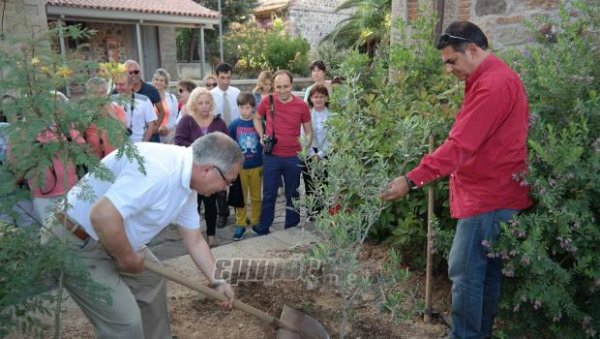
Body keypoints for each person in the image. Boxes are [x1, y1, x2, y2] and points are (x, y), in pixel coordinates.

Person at [380, 21, 532, 339]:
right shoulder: (493, 77)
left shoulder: (492, 85)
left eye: (452, 61)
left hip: (488, 198)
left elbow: (460, 147)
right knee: (487, 275)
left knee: (465, 274)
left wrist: (410, 180)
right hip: (499, 193)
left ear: (473, 50)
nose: (448, 69)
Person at [41, 133, 242, 339]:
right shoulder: (160, 171)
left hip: (112, 238)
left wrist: (218, 281)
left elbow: (196, 241)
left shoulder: (187, 186)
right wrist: (127, 257)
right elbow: (102, 216)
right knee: (125, 323)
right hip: (76, 240)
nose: (225, 189)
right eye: (228, 182)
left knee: (150, 280)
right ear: (207, 170)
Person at [252, 70, 313, 235]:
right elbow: (256, 118)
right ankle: (264, 227)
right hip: (271, 156)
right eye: (278, 87)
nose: (282, 90)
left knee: (292, 194)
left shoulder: (301, 105)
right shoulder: (267, 100)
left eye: (286, 86)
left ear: (291, 86)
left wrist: (305, 148)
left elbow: (308, 131)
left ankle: (291, 227)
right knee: (269, 193)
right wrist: (261, 135)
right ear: (274, 86)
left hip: (294, 157)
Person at [175, 88, 228, 247]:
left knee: (211, 204)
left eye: (207, 102)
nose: (204, 106)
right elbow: (179, 142)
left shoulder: (219, 122)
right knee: (193, 205)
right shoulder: (186, 121)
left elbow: (226, 144)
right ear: (194, 104)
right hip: (192, 171)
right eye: (200, 103)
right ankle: (195, 236)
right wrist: (200, 149)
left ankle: (211, 235)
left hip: (211, 171)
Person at [228, 92, 263, 241]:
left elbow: (263, 141)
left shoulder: (258, 123)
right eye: (241, 107)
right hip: (240, 167)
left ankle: (256, 221)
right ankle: (240, 223)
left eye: (247, 107)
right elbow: (230, 145)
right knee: (240, 197)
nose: (244, 111)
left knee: (256, 196)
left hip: (256, 165)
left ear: (253, 108)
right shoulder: (234, 125)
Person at [211, 63, 240, 228]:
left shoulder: (236, 93)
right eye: (222, 78)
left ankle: (239, 211)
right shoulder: (211, 95)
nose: (226, 81)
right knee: (219, 178)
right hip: (219, 142)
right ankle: (222, 213)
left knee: (236, 177)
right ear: (216, 77)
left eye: (229, 77)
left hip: (235, 140)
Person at [302, 84, 331, 218]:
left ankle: (325, 211)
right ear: (311, 99)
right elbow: (303, 134)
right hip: (309, 153)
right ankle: (312, 212)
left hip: (327, 153)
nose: (318, 99)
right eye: (315, 97)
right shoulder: (306, 114)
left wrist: (321, 154)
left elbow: (333, 138)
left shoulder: (332, 115)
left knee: (325, 183)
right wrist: (311, 153)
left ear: (326, 98)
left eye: (321, 96)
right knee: (310, 184)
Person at [83, 77, 127, 159]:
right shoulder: (82, 112)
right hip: (94, 158)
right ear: (88, 94)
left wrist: (110, 111)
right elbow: (79, 136)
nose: (99, 96)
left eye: (102, 93)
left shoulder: (117, 108)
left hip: (115, 155)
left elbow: (123, 129)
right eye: (95, 93)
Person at [123, 60, 165, 142]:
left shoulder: (151, 90)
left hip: (150, 135)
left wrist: (156, 128)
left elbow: (161, 111)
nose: (133, 75)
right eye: (130, 72)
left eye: (136, 72)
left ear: (140, 72)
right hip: (127, 137)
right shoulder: (119, 91)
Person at [112, 73, 157, 143]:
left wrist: (143, 143)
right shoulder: (111, 100)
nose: (118, 87)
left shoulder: (144, 100)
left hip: (138, 145)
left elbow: (151, 125)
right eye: (116, 84)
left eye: (121, 84)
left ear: (131, 85)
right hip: (116, 146)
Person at [151, 69, 178, 143]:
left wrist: (166, 128)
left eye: (161, 80)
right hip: (154, 135)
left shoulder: (172, 98)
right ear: (153, 81)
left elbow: (174, 116)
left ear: (166, 83)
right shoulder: (149, 98)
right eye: (156, 79)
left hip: (169, 135)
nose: (158, 82)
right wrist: (158, 128)